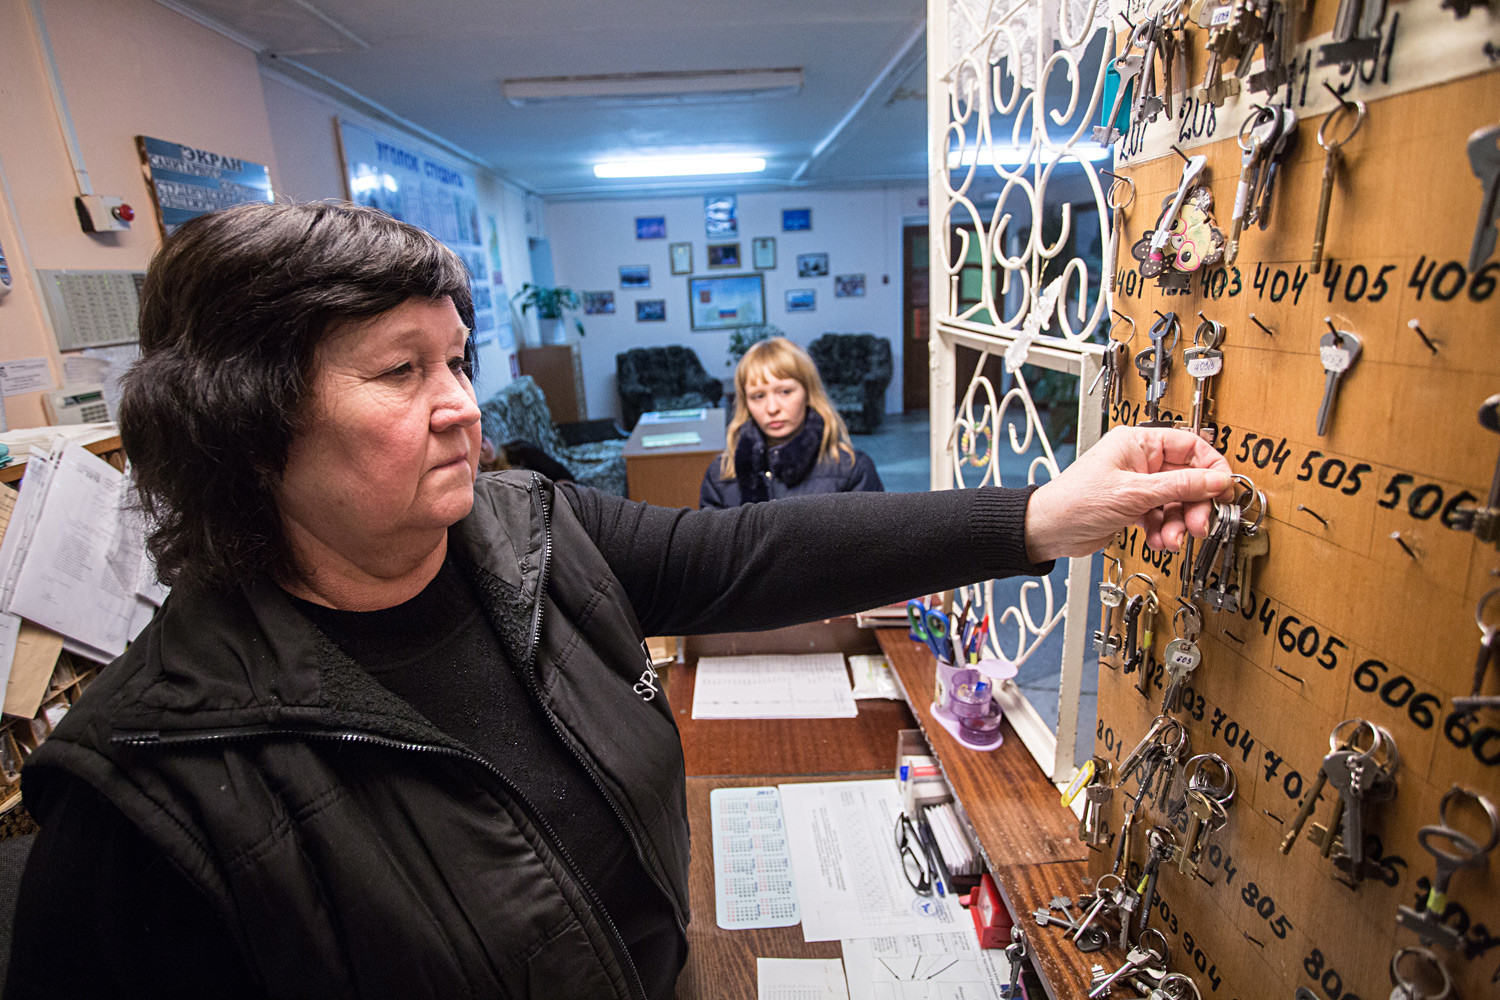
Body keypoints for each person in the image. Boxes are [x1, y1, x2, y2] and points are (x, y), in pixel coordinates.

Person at [7, 201, 1230, 1000]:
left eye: (457, 361)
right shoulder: (147, 796)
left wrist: (1038, 514)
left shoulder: (532, 529)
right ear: (249, 419)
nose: (463, 406)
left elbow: (747, 559)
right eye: (400, 371)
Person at [699, 337, 881, 508]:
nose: (772, 408)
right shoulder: (720, 474)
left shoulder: (852, 468)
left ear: (808, 394)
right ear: (746, 404)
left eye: (785, 392)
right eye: (758, 396)